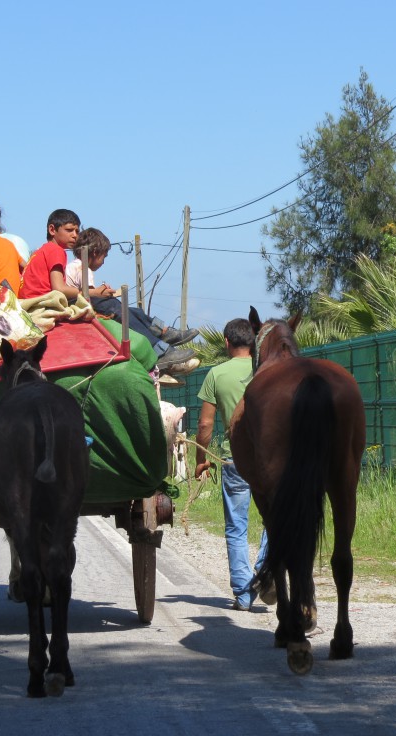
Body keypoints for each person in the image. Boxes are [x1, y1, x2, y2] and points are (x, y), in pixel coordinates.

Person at [193, 318, 270, 611]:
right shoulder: (266, 370)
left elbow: (204, 425)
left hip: (234, 458)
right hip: (269, 459)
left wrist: (201, 460)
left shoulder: (216, 374)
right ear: (253, 342)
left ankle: (243, 594)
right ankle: (265, 573)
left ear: (226, 342)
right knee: (273, 521)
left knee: (236, 526)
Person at [66, 227, 198, 372]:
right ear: (96, 252)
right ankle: (160, 347)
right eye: (104, 256)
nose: (103, 262)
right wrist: (103, 293)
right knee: (118, 309)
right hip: (78, 304)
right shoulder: (82, 267)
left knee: (133, 311)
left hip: (81, 300)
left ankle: (163, 332)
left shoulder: (74, 266)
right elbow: (90, 294)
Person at [19, 209, 83, 301]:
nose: (75, 235)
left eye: (77, 231)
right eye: (69, 230)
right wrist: (90, 292)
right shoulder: (56, 251)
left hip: (28, 302)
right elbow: (59, 289)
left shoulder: (41, 251)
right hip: (41, 302)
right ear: (52, 230)